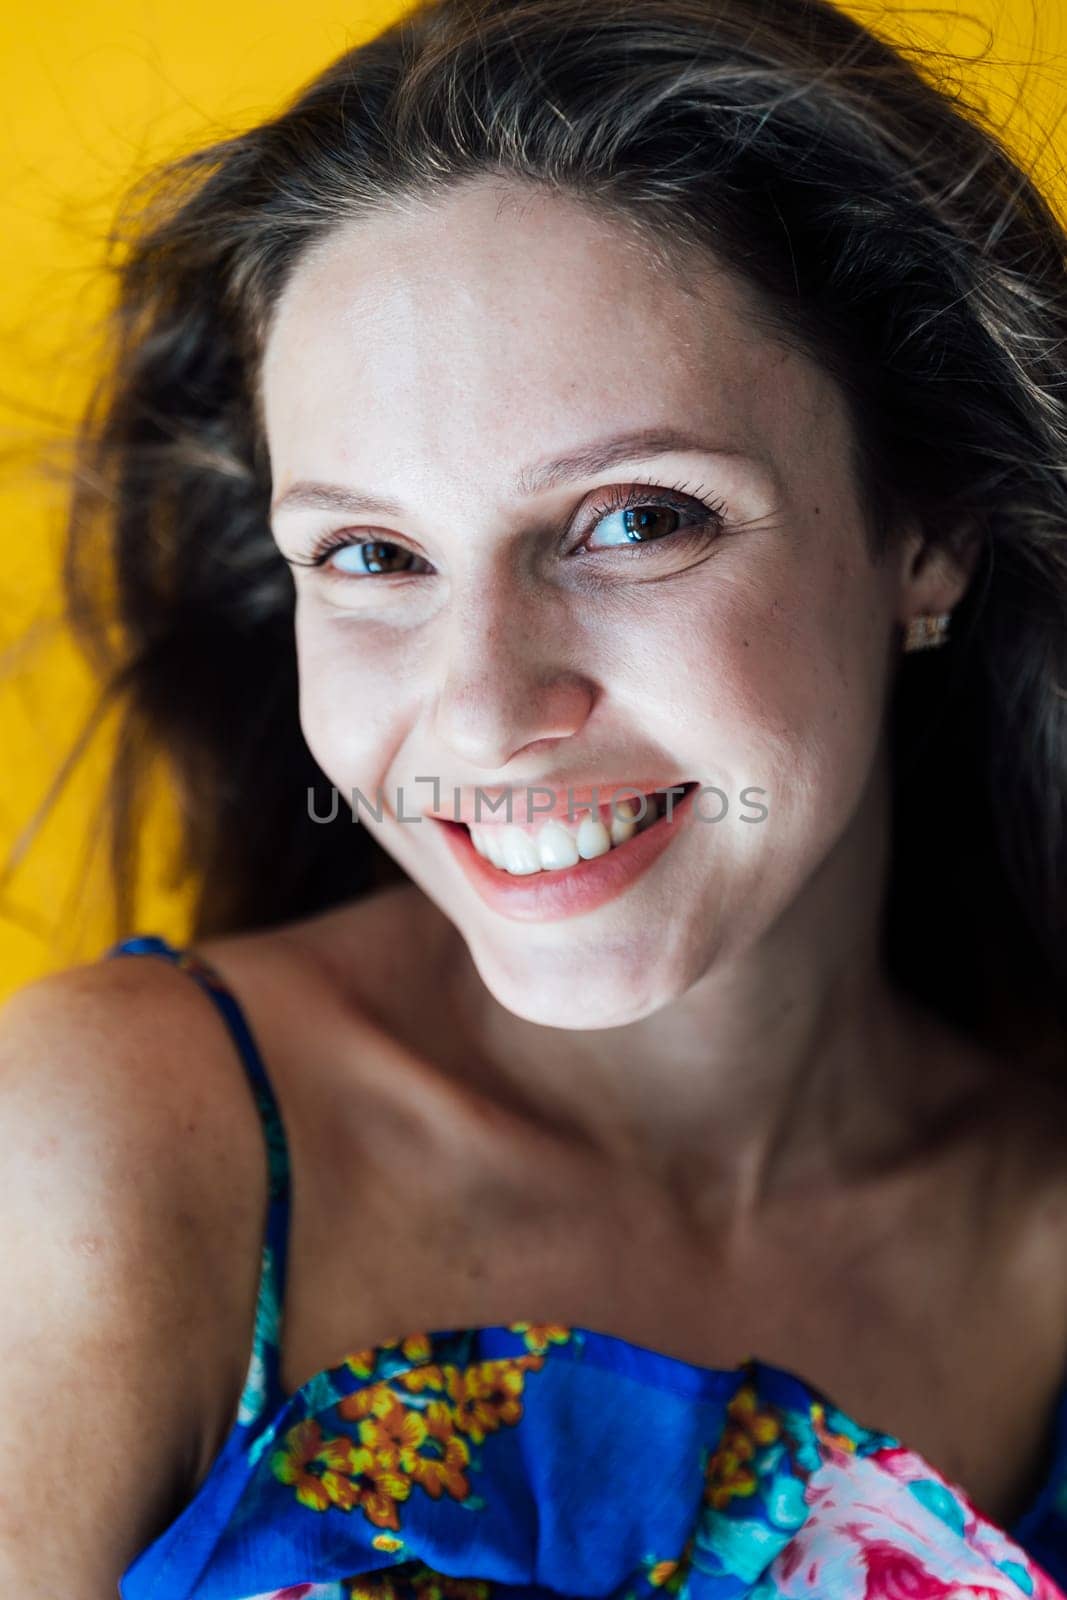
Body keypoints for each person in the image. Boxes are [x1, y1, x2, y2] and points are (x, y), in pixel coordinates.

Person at [1, 0, 1065, 1593]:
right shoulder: (111, 1155)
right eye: (371, 556)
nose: (488, 715)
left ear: (928, 530)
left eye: (636, 521)